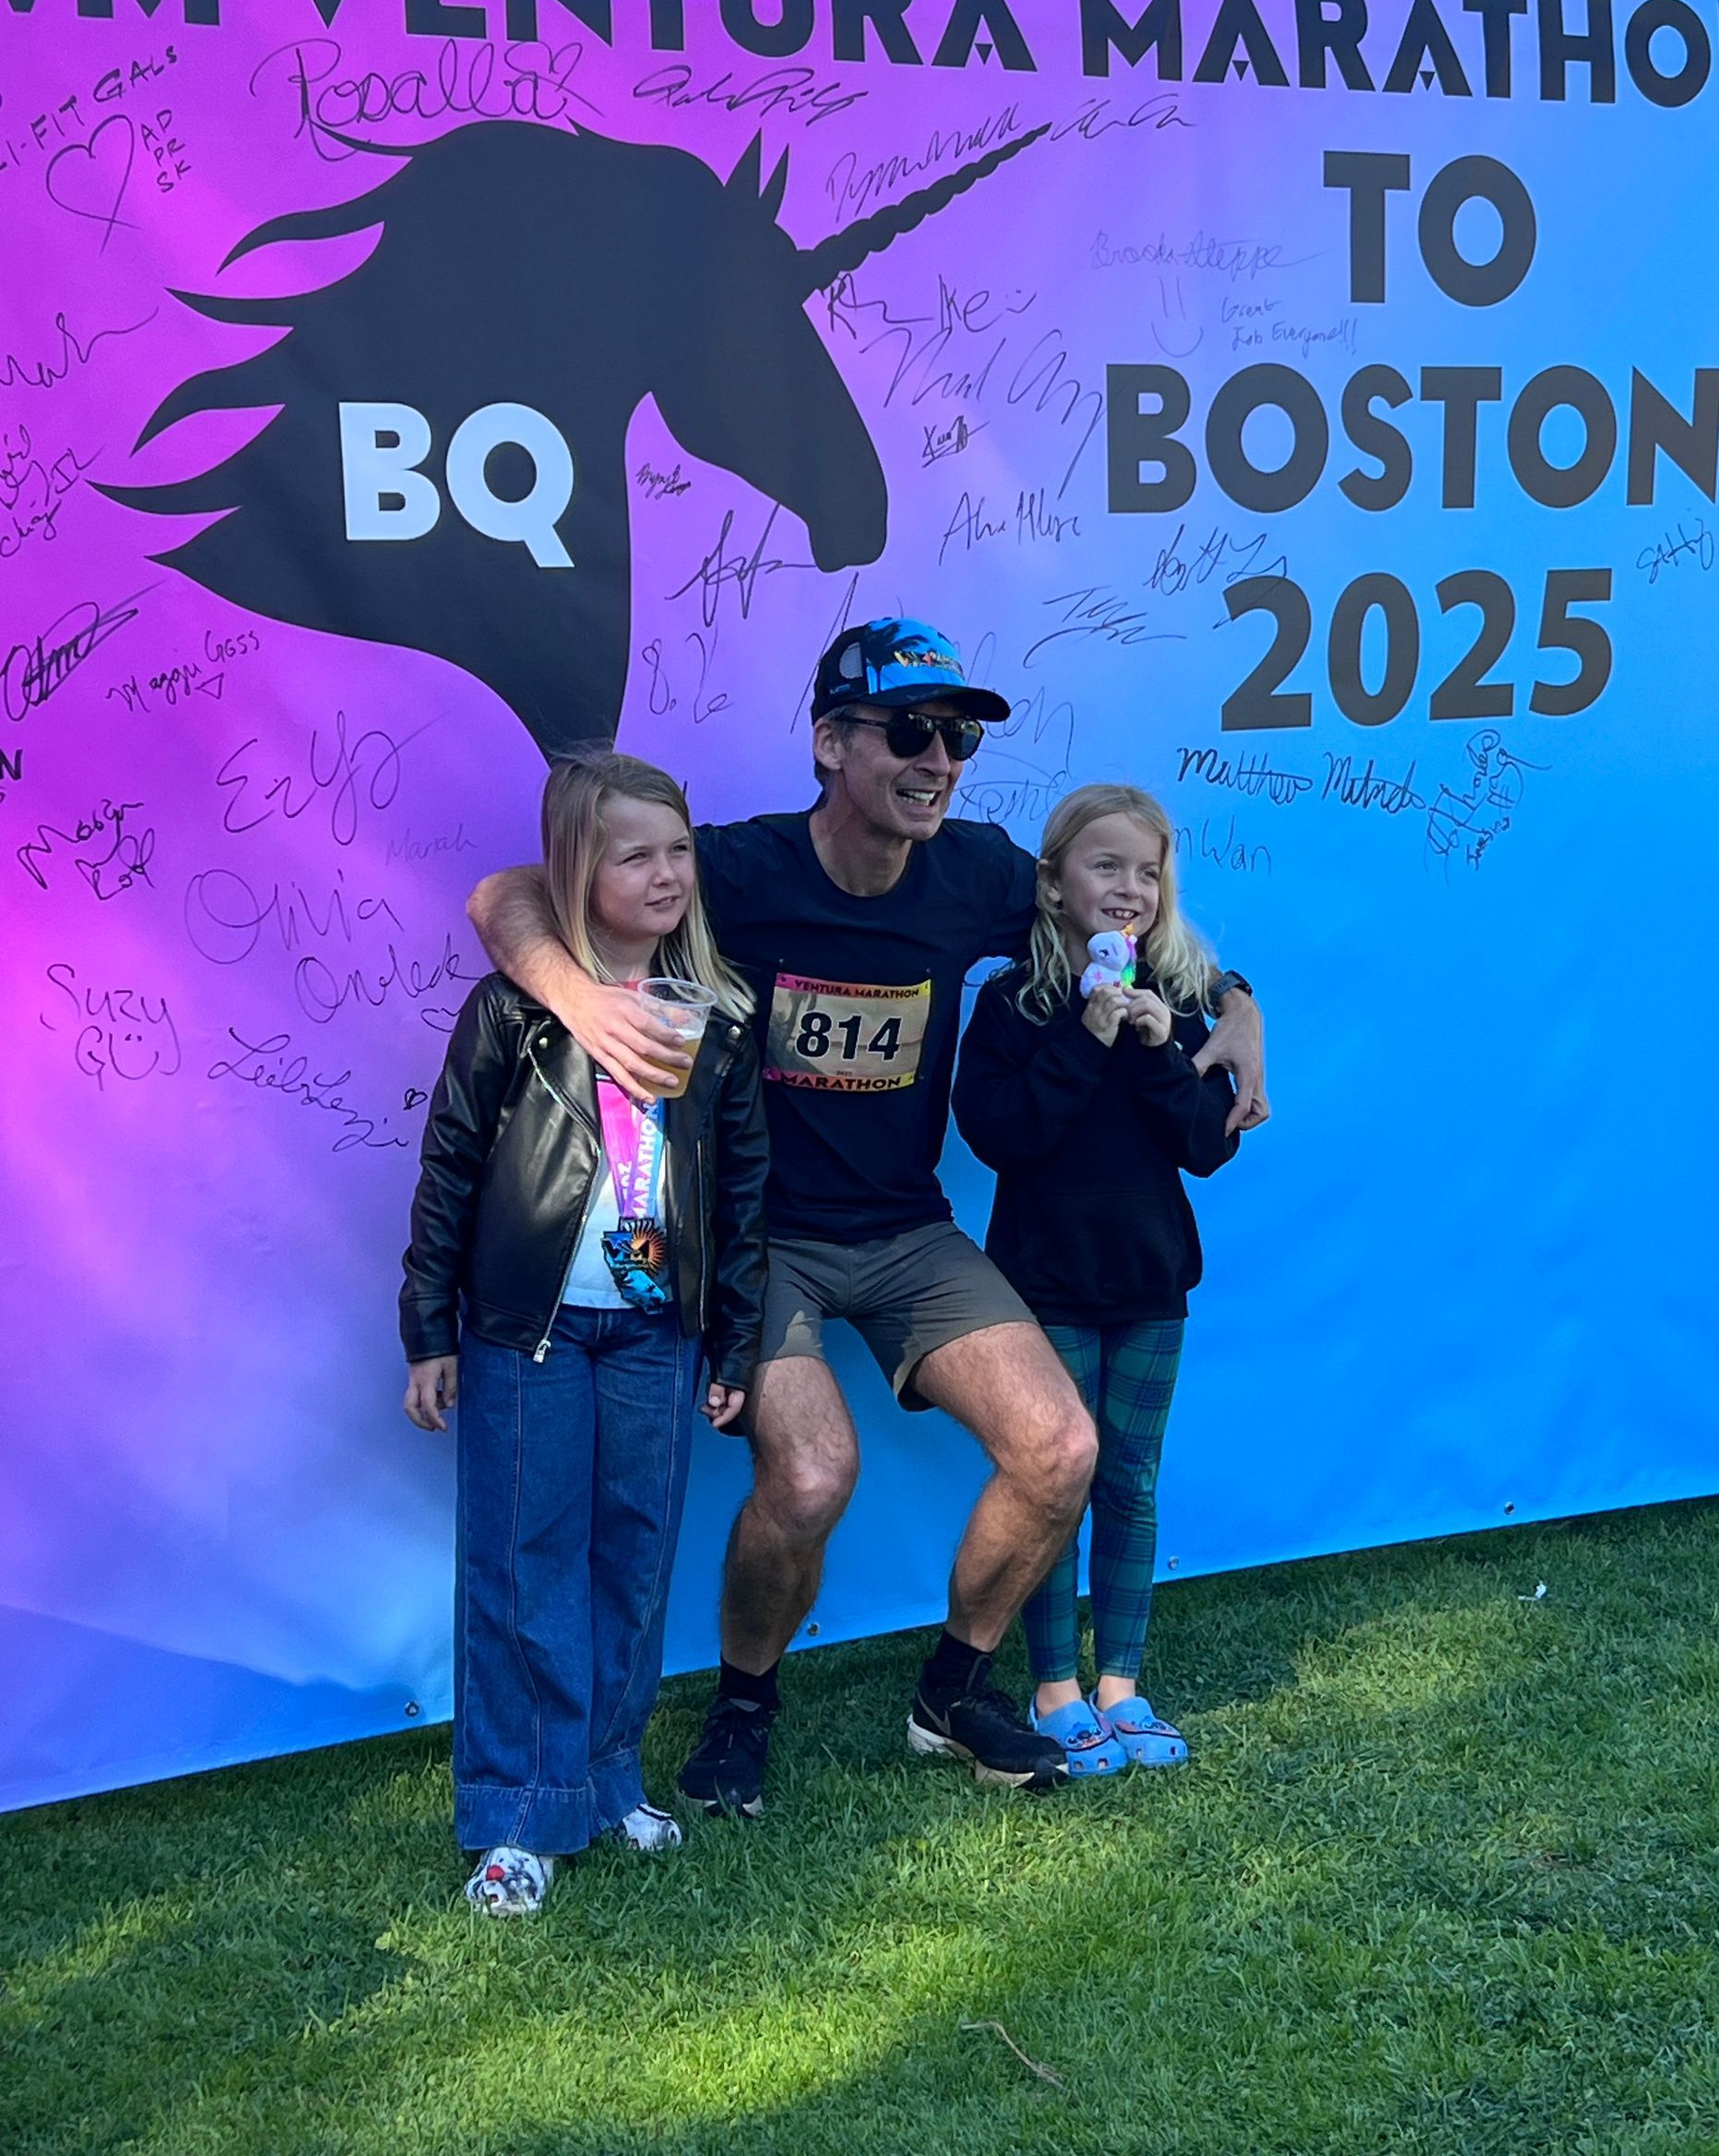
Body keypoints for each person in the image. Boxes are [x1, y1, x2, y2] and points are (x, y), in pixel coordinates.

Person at [467, 617, 1268, 1814]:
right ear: (831, 744)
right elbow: (509, 895)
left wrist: (1240, 1006)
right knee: (810, 1477)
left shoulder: (978, 875)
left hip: (906, 1231)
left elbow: (1125, 918)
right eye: (911, 732)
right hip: (763, 1238)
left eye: (956, 739)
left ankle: (952, 1692)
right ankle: (745, 1703)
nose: (939, 759)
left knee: (1062, 1450)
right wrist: (580, 995)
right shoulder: (742, 872)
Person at [400, 750, 768, 1915]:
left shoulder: (720, 1014)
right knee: (524, 1558)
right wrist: (429, 1326)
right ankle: (517, 1811)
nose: (666, 874)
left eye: (679, 849)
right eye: (634, 853)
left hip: (657, 1335)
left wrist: (736, 1342)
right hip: (532, 1332)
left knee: (634, 1551)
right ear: (575, 868)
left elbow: (743, 1189)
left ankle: (608, 1780)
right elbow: (451, 1163)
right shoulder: (515, 1006)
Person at [953, 784, 1240, 1778]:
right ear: (1055, 881)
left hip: (1152, 1284)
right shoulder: (1011, 1003)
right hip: (1046, 1286)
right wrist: (1087, 1033)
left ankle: (1121, 1681)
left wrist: (1163, 1046)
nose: (1128, 888)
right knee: (1054, 1483)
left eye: (1148, 873)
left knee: (1130, 1482)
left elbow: (1206, 1146)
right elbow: (1003, 1133)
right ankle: (1054, 1687)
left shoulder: (1187, 996)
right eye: (1105, 866)